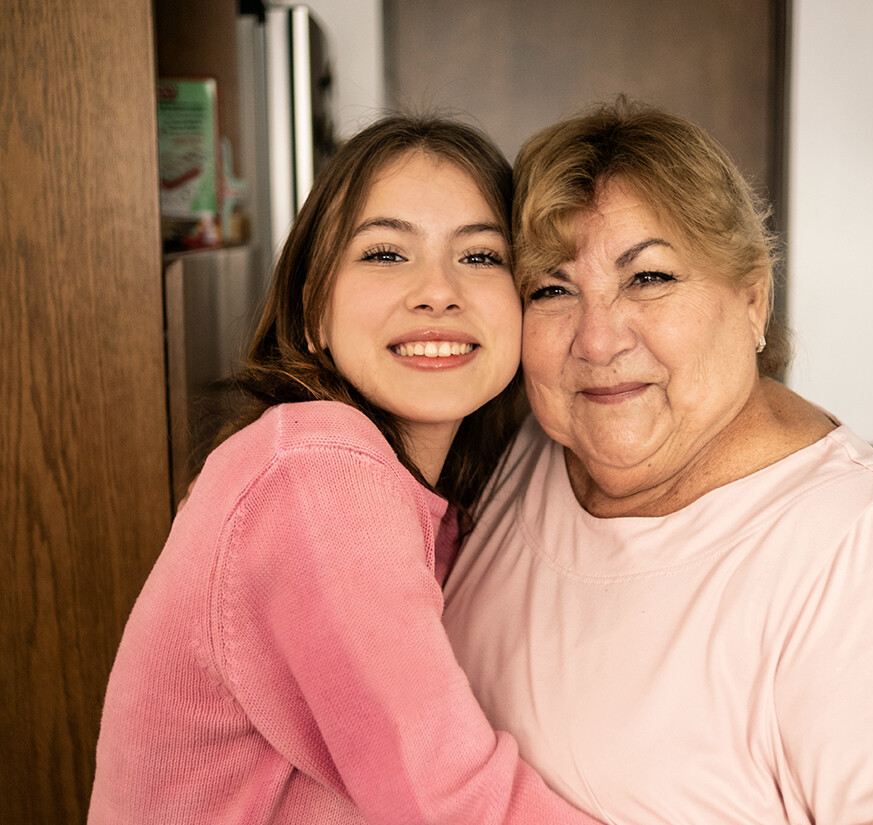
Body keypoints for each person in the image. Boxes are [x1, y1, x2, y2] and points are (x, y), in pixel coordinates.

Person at [441, 100, 873, 824]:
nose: (598, 338)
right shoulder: (526, 451)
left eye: (649, 278)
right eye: (551, 289)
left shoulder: (870, 559)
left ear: (752, 297)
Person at [88, 115, 600, 825]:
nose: (438, 291)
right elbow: (445, 801)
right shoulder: (319, 473)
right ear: (313, 309)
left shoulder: (421, 486)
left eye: (481, 257)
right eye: (387, 254)